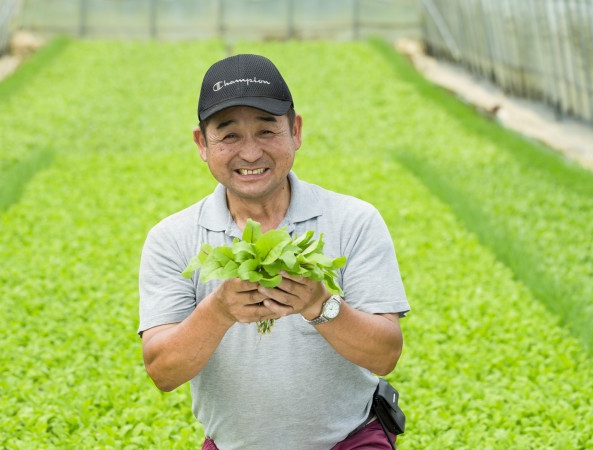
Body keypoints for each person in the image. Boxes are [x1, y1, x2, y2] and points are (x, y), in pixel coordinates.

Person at [139, 53, 410, 450]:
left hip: (350, 440)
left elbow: (385, 354)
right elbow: (163, 371)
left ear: (295, 132)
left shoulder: (354, 220)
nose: (250, 154)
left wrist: (320, 305)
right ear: (202, 143)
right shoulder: (173, 237)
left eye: (267, 131)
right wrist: (220, 311)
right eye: (229, 135)